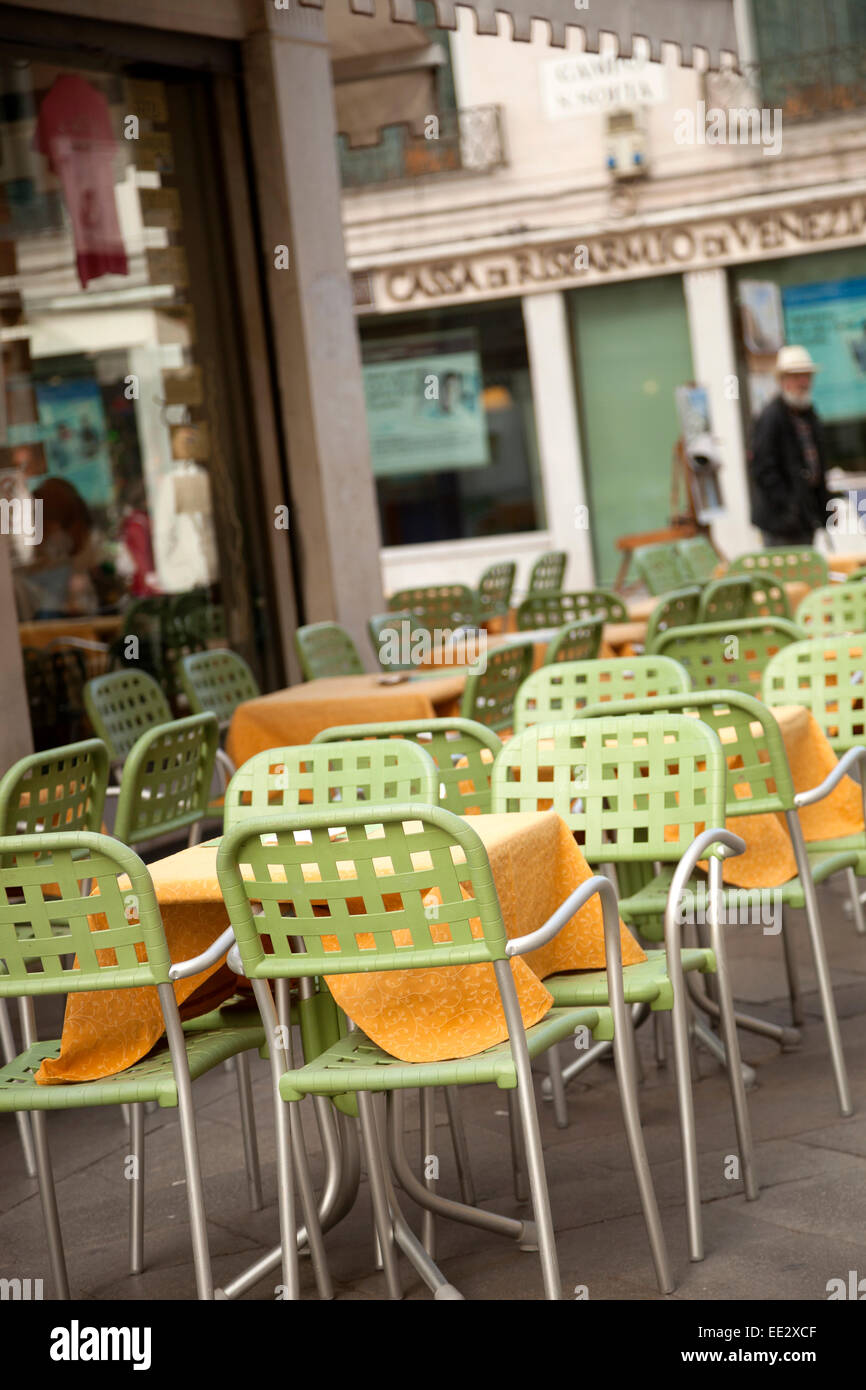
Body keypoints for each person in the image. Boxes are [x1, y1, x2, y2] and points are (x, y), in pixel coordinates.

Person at [747, 345, 829, 548]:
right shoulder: (771, 417)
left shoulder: (808, 414)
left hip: (805, 518)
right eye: (796, 376)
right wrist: (789, 506)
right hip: (781, 522)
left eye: (806, 376)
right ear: (782, 381)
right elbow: (763, 469)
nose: (804, 382)